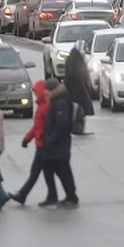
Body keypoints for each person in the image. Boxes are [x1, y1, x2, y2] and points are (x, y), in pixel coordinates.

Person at [9, 80, 57, 205]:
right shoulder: (43, 105)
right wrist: (28, 138)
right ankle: (27, 194)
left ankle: (24, 194)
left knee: (38, 172)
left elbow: (45, 127)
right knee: (43, 172)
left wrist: (31, 138)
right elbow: (37, 126)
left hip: (43, 145)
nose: (35, 95)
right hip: (41, 144)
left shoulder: (46, 107)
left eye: (36, 92)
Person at [42, 78, 79, 208]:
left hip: (59, 143)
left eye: (46, 91)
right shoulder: (56, 100)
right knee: (50, 168)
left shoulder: (61, 102)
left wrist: (51, 139)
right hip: (56, 143)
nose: (45, 93)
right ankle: (55, 196)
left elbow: (61, 124)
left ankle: (71, 196)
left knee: (63, 170)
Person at [63, 46, 93, 134]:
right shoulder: (76, 60)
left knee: (76, 111)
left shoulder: (72, 59)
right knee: (78, 111)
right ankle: (77, 128)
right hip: (78, 90)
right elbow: (77, 73)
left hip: (73, 90)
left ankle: (76, 128)